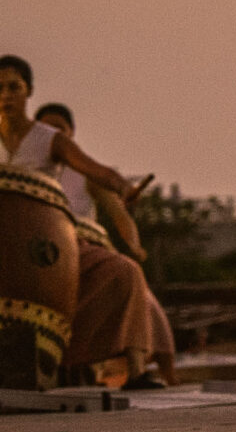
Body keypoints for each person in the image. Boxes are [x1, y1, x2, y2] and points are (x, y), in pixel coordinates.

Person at [0, 56, 164, 387]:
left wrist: (124, 187)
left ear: (29, 90)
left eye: (14, 87)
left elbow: (95, 169)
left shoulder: (50, 139)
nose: (6, 95)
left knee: (124, 271)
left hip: (45, 246)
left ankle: (135, 371)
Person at [35, 102, 178, 385]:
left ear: (70, 134)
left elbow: (119, 214)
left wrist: (134, 245)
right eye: (47, 130)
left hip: (83, 251)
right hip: (40, 250)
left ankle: (147, 372)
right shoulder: (28, 165)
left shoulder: (83, 173)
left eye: (60, 130)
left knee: (135, 286)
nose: (54, 136)